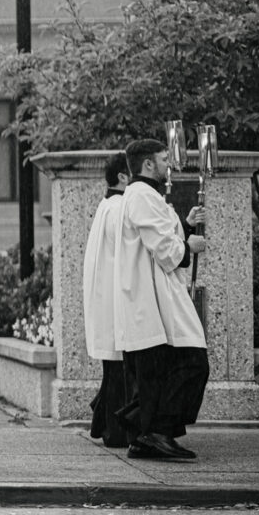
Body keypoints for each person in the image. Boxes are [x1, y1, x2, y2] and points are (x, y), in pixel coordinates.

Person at [114, 137, 209, 461]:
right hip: (150, 298)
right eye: (164, 159)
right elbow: (163, 247)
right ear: (148, 164)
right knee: (192, 363)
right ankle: (154, 432)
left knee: (161, 372)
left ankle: (150, 434)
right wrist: (188, 248)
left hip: (156, 296)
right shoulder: (141, 195)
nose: (169, 164)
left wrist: (184, 226)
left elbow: (161, 234)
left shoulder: (146, 195)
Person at [82, 151, 131, 448]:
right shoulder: (120, 208)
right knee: (118, 372)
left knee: (113, 370)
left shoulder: (107, 205)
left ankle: (102, 422)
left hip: (106, 299)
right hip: (116, 301)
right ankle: (114, 431)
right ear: (123, 177)